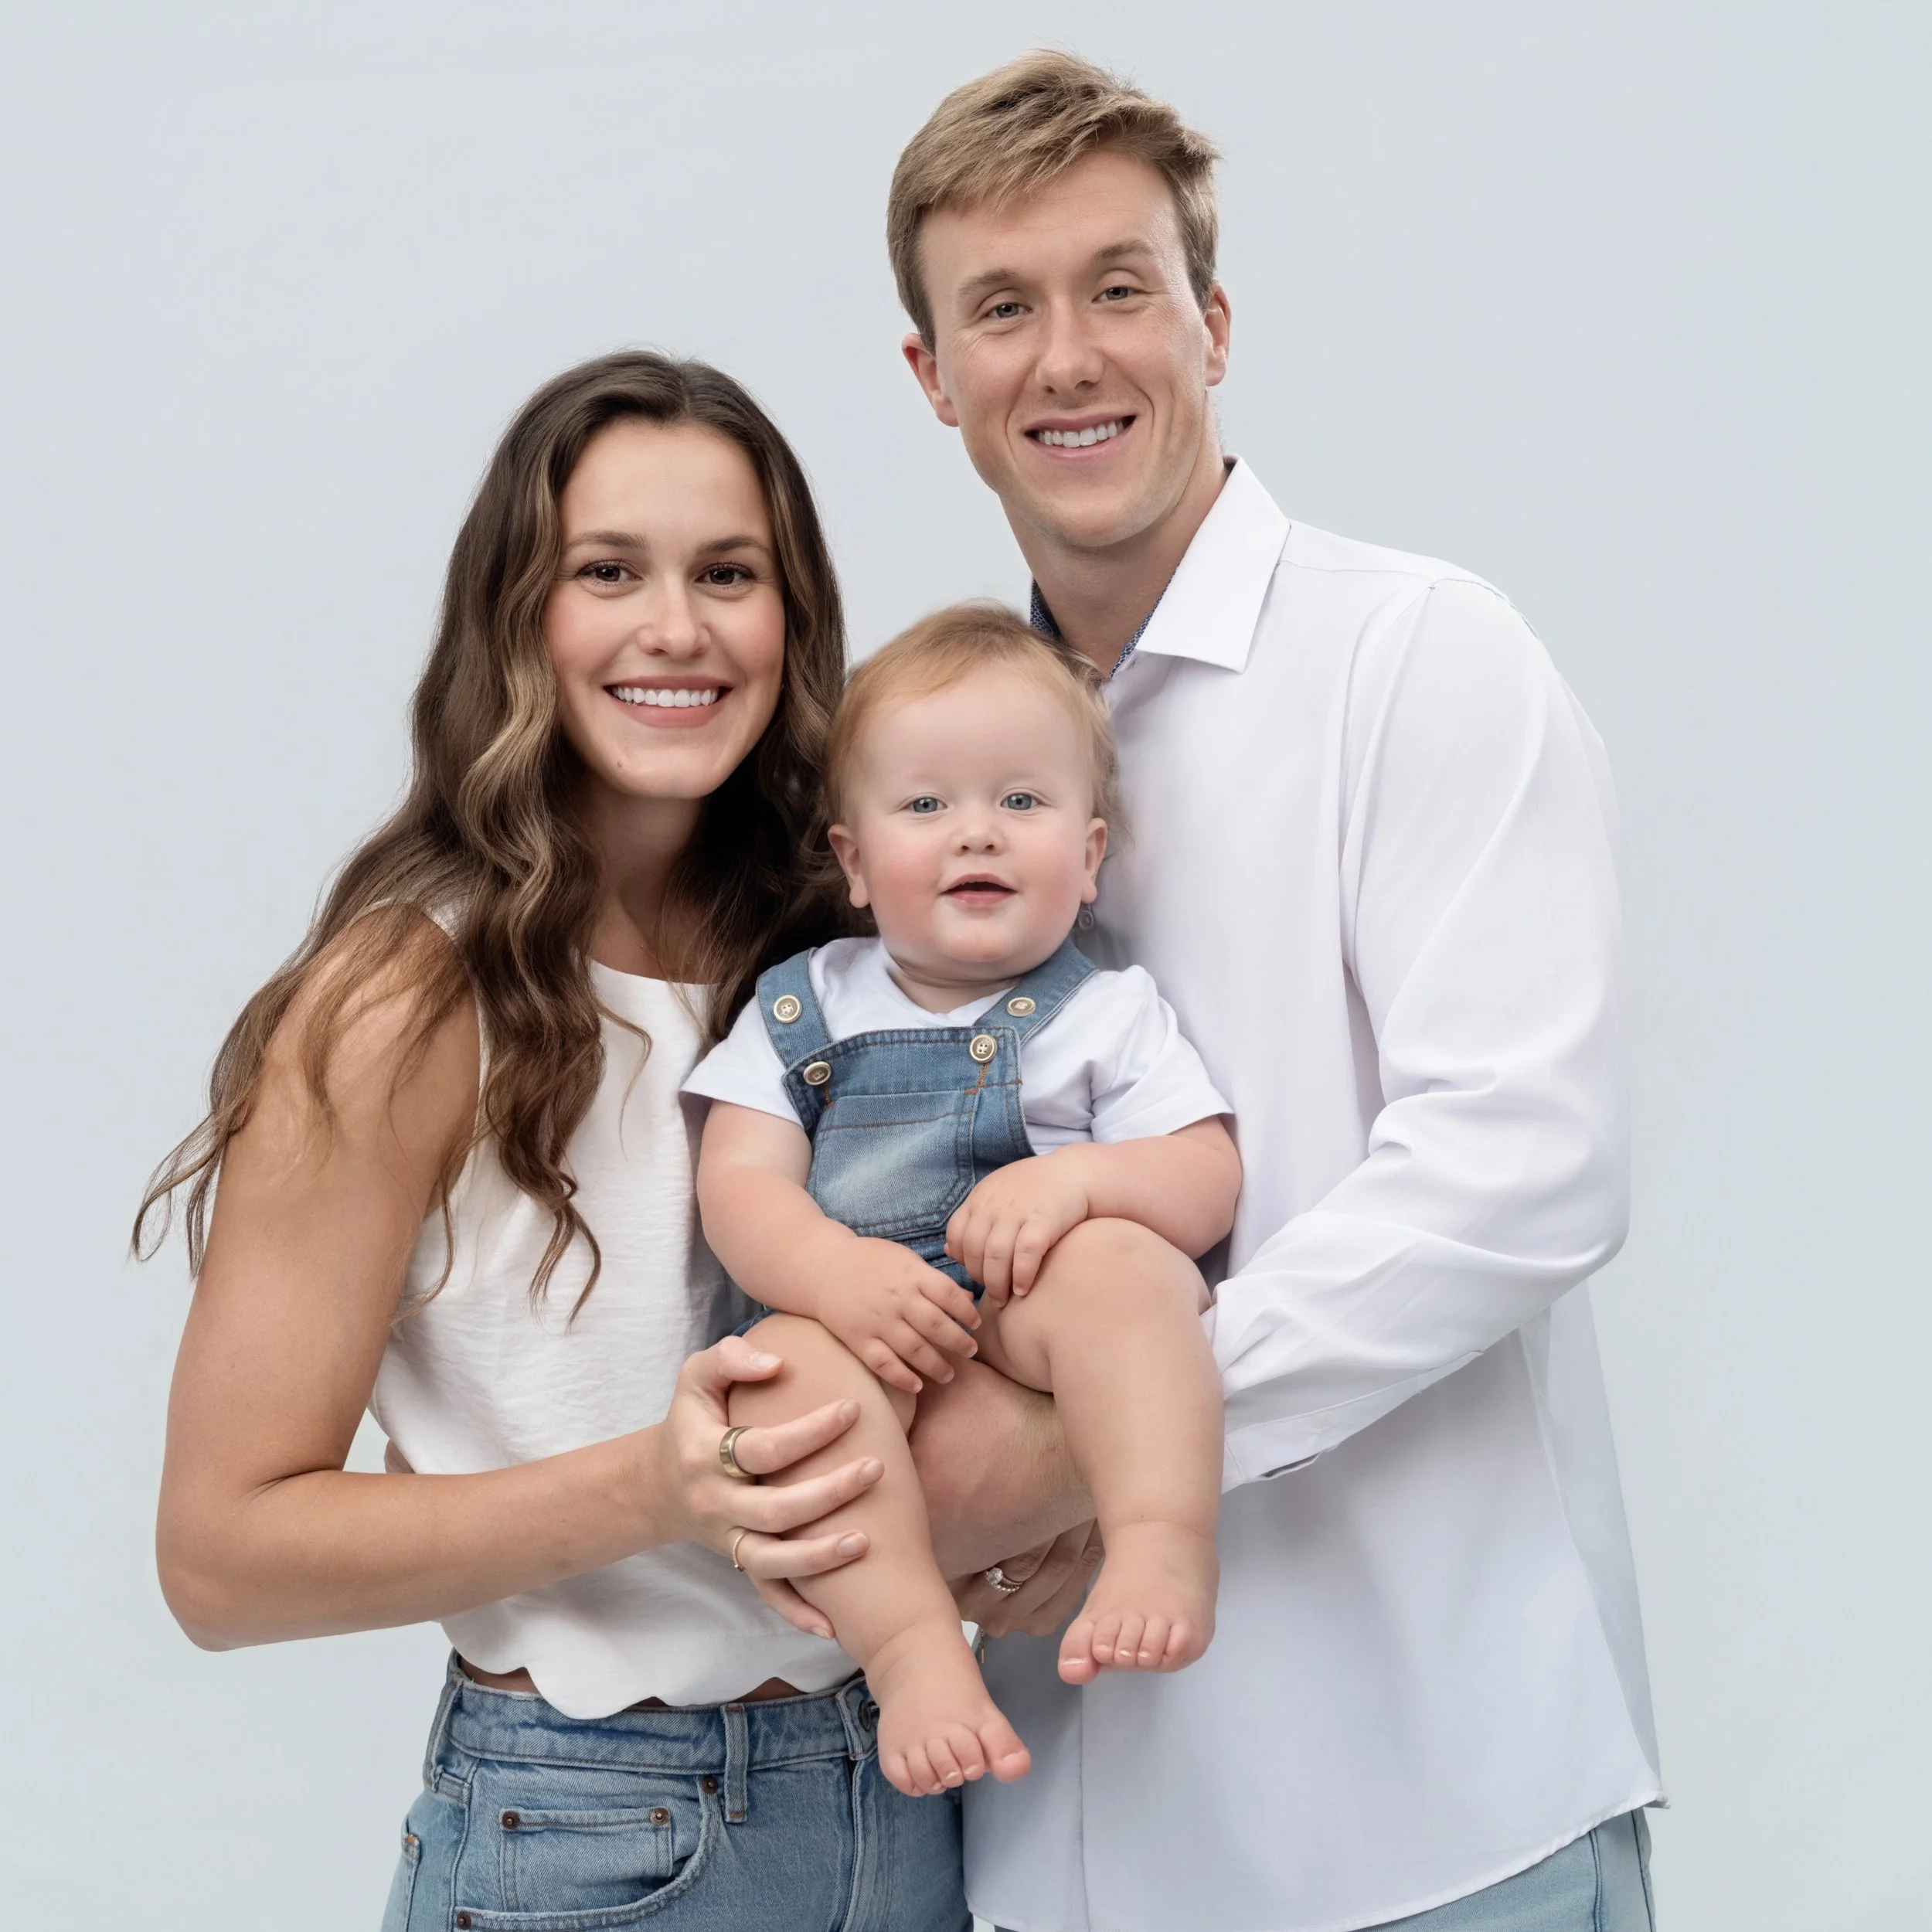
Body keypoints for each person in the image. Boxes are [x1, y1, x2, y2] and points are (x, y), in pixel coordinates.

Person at [880, 53, 1665, 1932]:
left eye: (1118, 287)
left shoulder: (1415, 656)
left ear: (1212, 323)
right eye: (1000, 308)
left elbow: (1523, 1160)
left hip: (1432, 1815)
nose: (1065, 356)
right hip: (1046, 1830)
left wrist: (1083, 1441)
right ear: (932, 382)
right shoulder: (927, 765)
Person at [138, 351, 975, 1931]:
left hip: (906, 1797)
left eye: (729, 573)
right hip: (597, 1830)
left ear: (791, 618)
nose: (677, 627)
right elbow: (220, 1554)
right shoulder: (403, 999)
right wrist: (659, 1486)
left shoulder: (841, 959)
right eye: (609, 572)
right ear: (520, 614)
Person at [684, 604, 1240, 1798]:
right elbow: (736, 1182)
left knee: (1131, 1276)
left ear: (1091, 857)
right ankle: (915, 1653)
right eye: (926, 806)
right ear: (850, 860)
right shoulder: (805, 1003)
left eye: (1022, 804)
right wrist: (831, 1276)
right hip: (855, 1320)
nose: (975, 834)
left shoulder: (1104, 1012)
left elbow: (1204, 1176)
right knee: (782, 1386)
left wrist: (1079, 1180)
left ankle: (1159, 1540)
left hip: (1018, 1308)